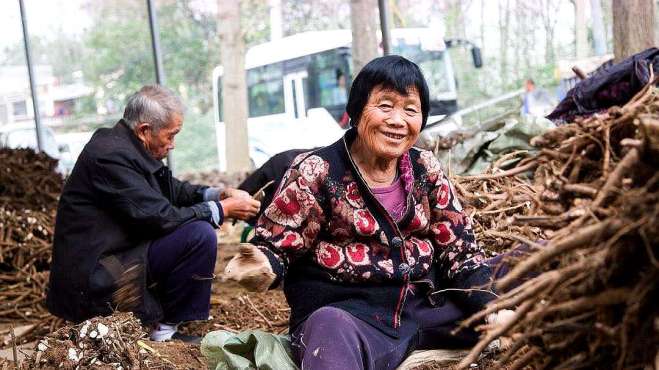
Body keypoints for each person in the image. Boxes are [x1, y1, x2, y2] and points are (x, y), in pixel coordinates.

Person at [223, 56, 513, 369]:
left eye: (410, 110)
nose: (398, 120)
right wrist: (263, 262)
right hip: (353, 318)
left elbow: (460, 252)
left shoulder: (425, 168)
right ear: (358, 110)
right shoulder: (317, 171)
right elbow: (280, 240)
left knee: (527, 265)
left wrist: (492, 308)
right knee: (330, 329)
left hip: (426, 307)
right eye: (385, 106)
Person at [47, 85, 261, 344]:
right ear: (145, 130)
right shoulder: (110, 156)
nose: (173, 145)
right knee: (199, 234)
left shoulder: (129, 146)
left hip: (123, 248)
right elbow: (159, 217)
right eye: (171, 136)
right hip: (98, 268)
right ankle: (164, 331)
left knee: (198, 228)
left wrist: (217, 194)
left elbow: (172, 190)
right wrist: (221, 211)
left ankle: (164, 321)